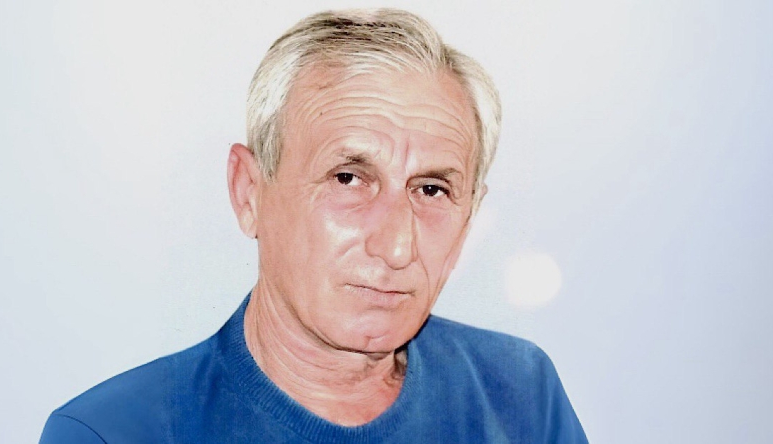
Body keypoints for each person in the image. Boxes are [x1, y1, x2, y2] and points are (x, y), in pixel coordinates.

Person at [40, 8, 587, 443]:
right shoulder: (114, 433)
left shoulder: (520, 397)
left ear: (469, 216)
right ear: (249, 192)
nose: (397, 246)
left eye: (431, 190)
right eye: (348, 179)